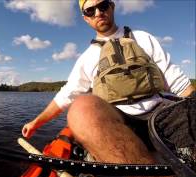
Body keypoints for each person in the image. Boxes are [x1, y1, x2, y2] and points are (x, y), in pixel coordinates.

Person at [22, 0, 195, 167]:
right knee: (80, 108)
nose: (98, 13)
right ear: (85, 18)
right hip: (118, 123)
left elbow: (178, 82)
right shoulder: (86, 58)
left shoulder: (143, 38)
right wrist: (35, 123)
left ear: (111, 7)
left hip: (161, 112)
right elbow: (66, 95)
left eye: (102, 5)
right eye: (90, 10)